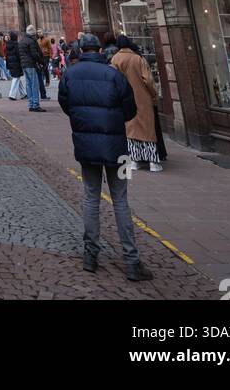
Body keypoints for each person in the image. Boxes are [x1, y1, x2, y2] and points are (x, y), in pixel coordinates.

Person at [57, 32, 153, 282]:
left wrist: (83, 121)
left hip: (86, 145)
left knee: (90, 195)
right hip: (117, 147)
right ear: (100, 50)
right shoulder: (114, 75)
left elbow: (65, 104)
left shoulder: (71, 74)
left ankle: (90, 255)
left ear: (81, 49)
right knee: (120, 199)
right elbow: (130, 110)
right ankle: (132, 261)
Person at [111, 36, 164, 173]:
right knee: (147, 130)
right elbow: (148, 80)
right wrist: (153, 94)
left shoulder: (115, 59)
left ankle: (134, 161)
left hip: (124, 98)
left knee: (131, 130)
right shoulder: (137, 58)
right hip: (142, 97)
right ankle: (153, 162)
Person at [17, 26, 46, 112]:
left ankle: (31, 104)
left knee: (28, 84)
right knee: (34, 84)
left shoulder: (21, 41)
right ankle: (35, 105)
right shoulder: (31, 41)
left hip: (24, 65)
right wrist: (41, 62)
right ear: (33, 33)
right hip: (31, 64)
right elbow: (35, 54)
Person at [5, 29, 25, 99]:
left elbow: (7, 56)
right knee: (16, 78)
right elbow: (19, 55)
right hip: (16, 64)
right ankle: (12, 95)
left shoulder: (7, 44)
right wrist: (22, 63)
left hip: (11, 64)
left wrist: (8, 65)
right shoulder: (16, 44)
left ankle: (23, 94)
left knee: (17, 78)